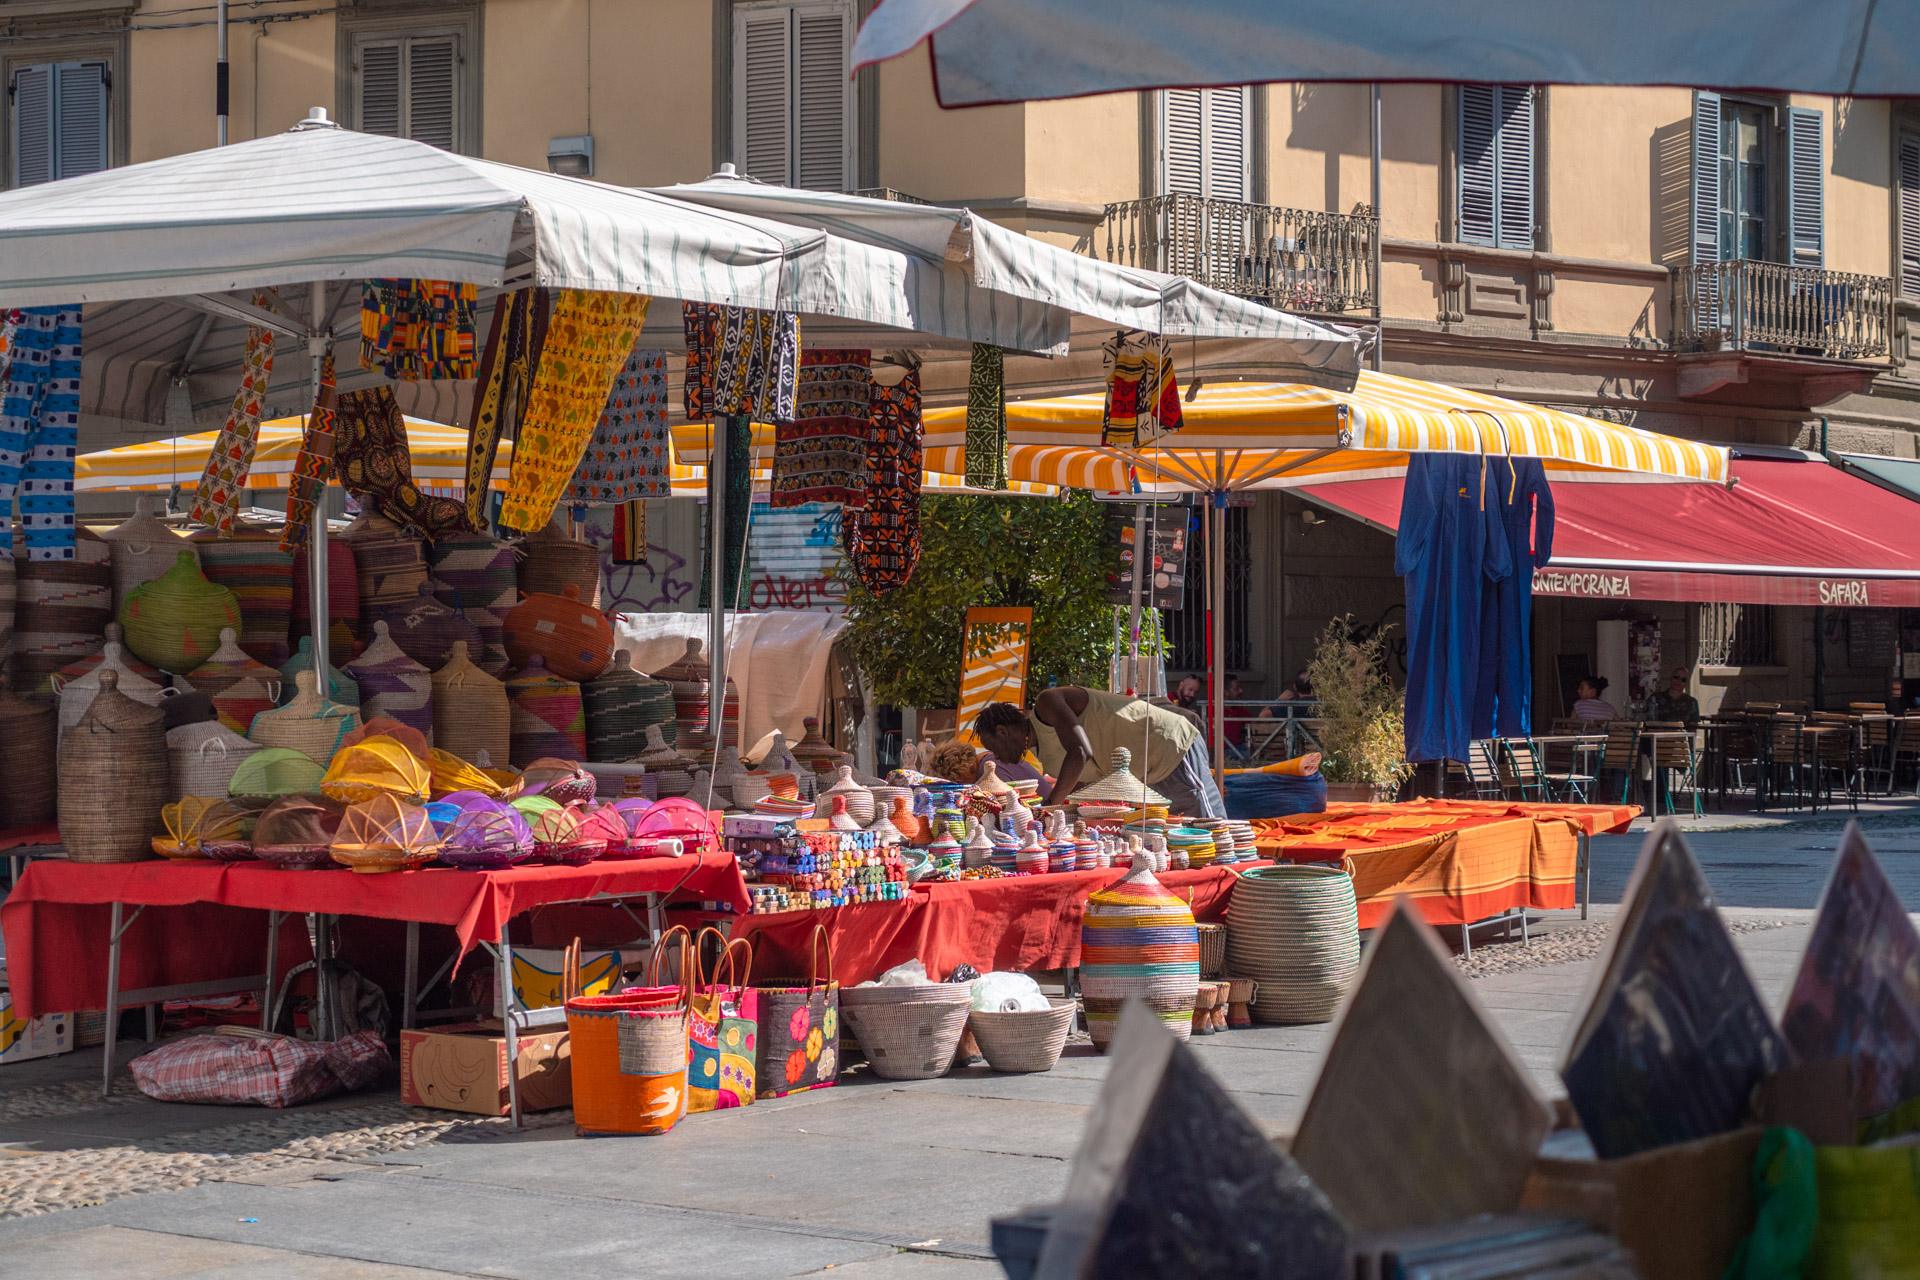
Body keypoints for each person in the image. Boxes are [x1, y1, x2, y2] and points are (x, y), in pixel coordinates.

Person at [973, 687, 1225, 820]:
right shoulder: (1047, 759)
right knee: (1178, 837)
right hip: (1147, 773)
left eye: (993, 747)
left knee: (1211, 828)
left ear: (1003, 731)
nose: (999, 758)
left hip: (1169, 746)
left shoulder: (1047, 703)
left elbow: (1080, 752)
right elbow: (1080, 783)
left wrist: (1050, 806)